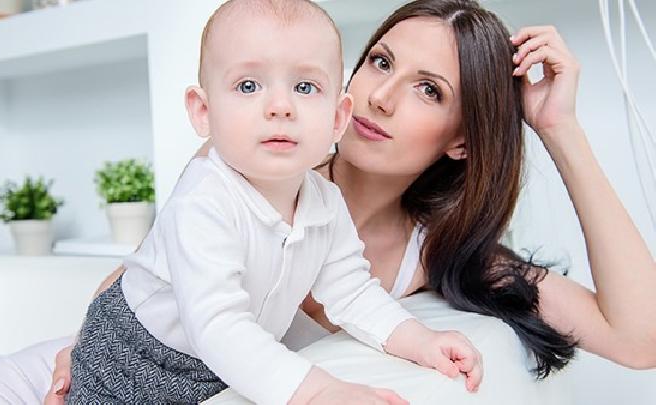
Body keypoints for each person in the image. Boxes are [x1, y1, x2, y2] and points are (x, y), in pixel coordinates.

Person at [0, 0, 653, 404]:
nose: (381, 95)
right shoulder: (251, 164)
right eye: (380, 61)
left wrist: (559, 128)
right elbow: (142, 277)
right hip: (85, 365)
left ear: (464, 139)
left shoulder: (435, 252)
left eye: (429, 89)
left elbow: (640, 338)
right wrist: (84, 350)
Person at [64, 0, 483, 404]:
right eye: (248, 85)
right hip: (131, 362)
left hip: (227, 363)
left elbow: (353, 293)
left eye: (305, 86)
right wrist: (318, 391)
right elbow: (218, 326)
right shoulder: (204, 199)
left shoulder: (324, 201)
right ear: (203, 111)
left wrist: (420, 340)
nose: (280, 107)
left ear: (338, 118)